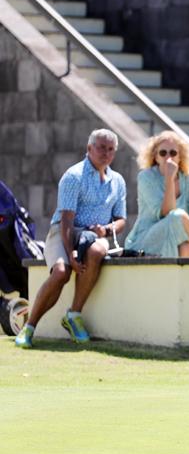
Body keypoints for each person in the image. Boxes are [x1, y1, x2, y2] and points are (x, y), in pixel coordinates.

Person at [14, 129, 127, 348]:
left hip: (96, 236)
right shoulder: (74, 175)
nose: (106, 153)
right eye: (101, 147)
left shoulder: (118, 181)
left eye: (111, 149)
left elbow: (122, 220)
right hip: (64, 231)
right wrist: (72, 253)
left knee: (96, 251)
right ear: (89, 148)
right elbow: (66, 219)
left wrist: (106, 229)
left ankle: (74, 315)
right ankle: (29, 328)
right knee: (61, 273)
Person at [125, 131, 189, 258]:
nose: (168, 158)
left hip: (179, 237)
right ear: (156, 157)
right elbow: (167, 212)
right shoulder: (146, 177)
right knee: (178, 216)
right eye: (163, 153)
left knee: (186, 246)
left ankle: (187, 274)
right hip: (147, 239)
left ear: (180, 157)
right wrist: (169, 179)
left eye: (173, 153)